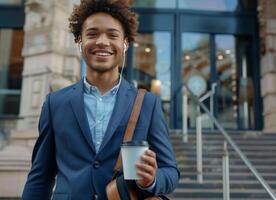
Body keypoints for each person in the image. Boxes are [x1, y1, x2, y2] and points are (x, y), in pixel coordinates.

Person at [21, 0, 180, 199]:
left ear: (125, 44)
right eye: (92, 34)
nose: (102, 41)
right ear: (79, 41)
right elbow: (40, 176)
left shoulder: (148, 103)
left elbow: (171, 172)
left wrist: (152, 179)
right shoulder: (55, 103)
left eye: (112, 35)